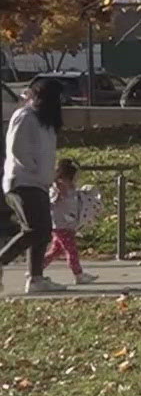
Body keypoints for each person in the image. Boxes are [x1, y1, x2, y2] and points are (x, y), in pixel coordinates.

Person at [1, 77, 67, 293]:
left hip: (39, 182)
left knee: (43, 231)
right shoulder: (25, 116)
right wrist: (36, 169)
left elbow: (47, 153)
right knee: (35, 229)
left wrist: (50, 175)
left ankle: (36, 278)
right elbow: (16, 148)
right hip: (22, 181)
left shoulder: (46, 122)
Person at [47, 158, 101, 285]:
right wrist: (59, 191)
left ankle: (37, 268)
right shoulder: (58, 189)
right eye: (75, 176)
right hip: (61, 226)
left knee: (55, 251)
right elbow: (53, 202)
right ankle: (79, 274)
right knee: (71, 251)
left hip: (68, 225)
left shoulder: (72, 190)